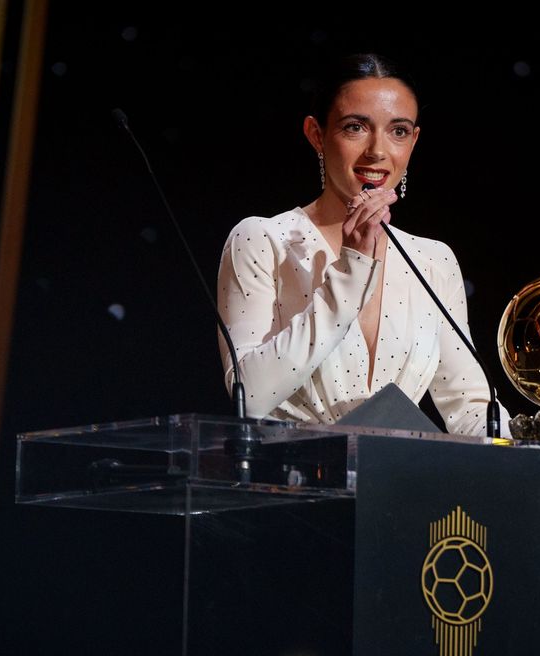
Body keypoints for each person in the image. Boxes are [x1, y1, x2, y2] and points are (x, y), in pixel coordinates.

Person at [216, 53, 509, 436]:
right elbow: (249, 395)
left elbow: (471, 405)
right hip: (296, 482)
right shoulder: (261, 240)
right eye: (356, 127)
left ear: (414, 141)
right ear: (316, 134)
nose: (377, 151)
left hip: (403, 485)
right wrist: (352, 269)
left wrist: (536, 449)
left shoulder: (433, 260)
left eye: (398, 131)